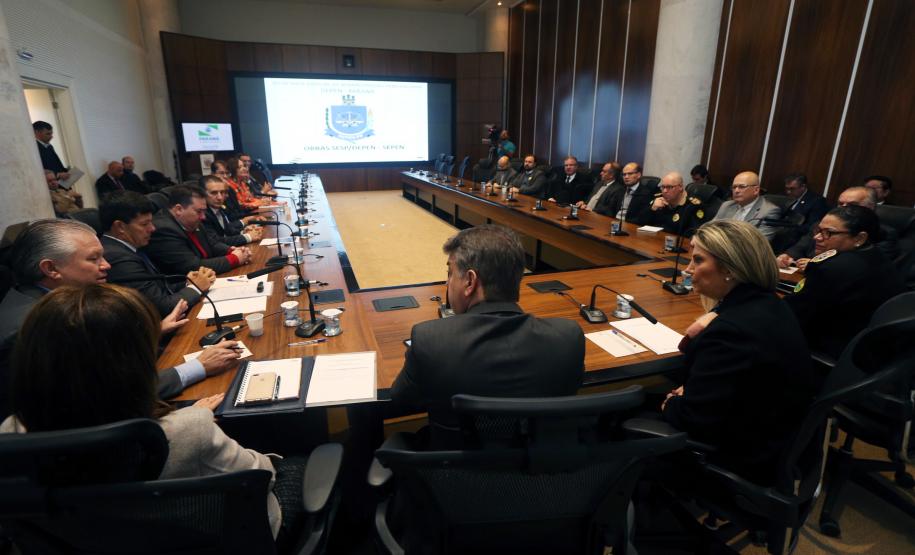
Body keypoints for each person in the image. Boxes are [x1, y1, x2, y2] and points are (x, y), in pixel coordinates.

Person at [0, 284, 294, 543]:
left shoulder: (11, 436)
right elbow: (263, 477)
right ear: (134, 365)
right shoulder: (188, 430)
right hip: (226, 540)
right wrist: (190, 420)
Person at [0, 220, 240, 418]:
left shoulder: (43, 300)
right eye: (93, 259)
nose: (106, 265)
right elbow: (104, 396)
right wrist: (198, 367)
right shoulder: (38, 327)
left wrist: (155, 331)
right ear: (51, 269)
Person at [391, 225, 585, 447]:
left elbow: (400, 401)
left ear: (470, 282)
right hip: (542, 465)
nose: (447, 283)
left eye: (450, 273)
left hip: (458, 466)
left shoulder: (430, 341)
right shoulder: (568, 338)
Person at [661, 220, 816, 485]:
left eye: (698, 260)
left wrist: (672, 403)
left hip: (742, 454)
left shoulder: (730, 332)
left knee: (622, 414)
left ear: (730, 269)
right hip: (770, 431)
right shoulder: (769, 302)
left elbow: (693, 419)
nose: (688, 270)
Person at [784, 205, 906, 360]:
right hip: (870, 350)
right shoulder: (879, 256)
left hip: (829, 350)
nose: (817, 237)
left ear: (859, 238)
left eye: (828, 233)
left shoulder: (832, 268)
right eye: (818, 230)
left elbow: (792, 313)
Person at [100, 191, 215, 317]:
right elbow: (161, 307)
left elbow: (158, 289)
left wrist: (189, 282)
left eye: (151, 222)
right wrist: (196, 287)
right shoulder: (118, 258)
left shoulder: (129, 247)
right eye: (144, 224)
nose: (152, 228)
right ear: (120, 227)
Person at [776, 186, 898, 270]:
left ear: (870, 207)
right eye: (840, 204)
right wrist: (787, 256)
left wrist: (817, 264)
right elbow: (801, 246)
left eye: (852, 205)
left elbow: (868, 266)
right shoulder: (821, 225)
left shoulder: (883, 233)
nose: (843, 208)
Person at [144, 185, 253, 275]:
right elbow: (192, 266)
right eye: (199, 211)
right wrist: (235, 258)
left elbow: (212, 244)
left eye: (204, 211)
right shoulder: (163, 229)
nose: (203, 217)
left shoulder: (192, 219)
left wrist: (231, 250)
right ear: (179, 209)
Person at [712, 171, 781, 241]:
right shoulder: (727, 205)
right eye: (734, 187)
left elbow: (760, 242)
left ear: (756, 190)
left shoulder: (769, 211)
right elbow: (710, 229)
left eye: (742, 187)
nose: (736, 191)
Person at [199, 175, 263, 247]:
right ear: (202, 194)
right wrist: (248, 237)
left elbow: (228, 231)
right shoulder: (202, 214)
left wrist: (244, 231)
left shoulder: (219, 208)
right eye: (214, 193)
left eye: (222, 192)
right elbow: (215, 241)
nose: (220, 197)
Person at [645, 172, 707, 237]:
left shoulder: (692, 206)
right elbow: (639, 221)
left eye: (669, 187)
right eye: (663, 187)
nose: (665, 191)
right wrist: (652, 209)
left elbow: (694, 234)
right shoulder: (659, 199)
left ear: (680, 187)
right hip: (653, 239)